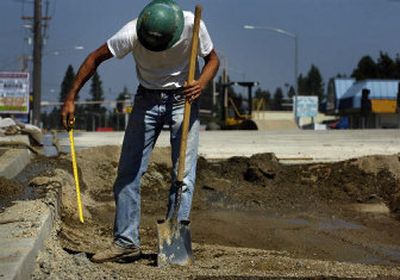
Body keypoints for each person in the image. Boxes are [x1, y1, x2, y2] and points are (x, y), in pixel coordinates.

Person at [60, 0, 219, 263]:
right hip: (147, 99)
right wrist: (71, 97)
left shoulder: (193, 24)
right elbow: (94, 59)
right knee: (128, 171)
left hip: (184, 98)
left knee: (183, 174)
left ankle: (173, 248)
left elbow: (213, 59)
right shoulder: (131, 33)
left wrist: (201, 83)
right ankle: (126, 242)